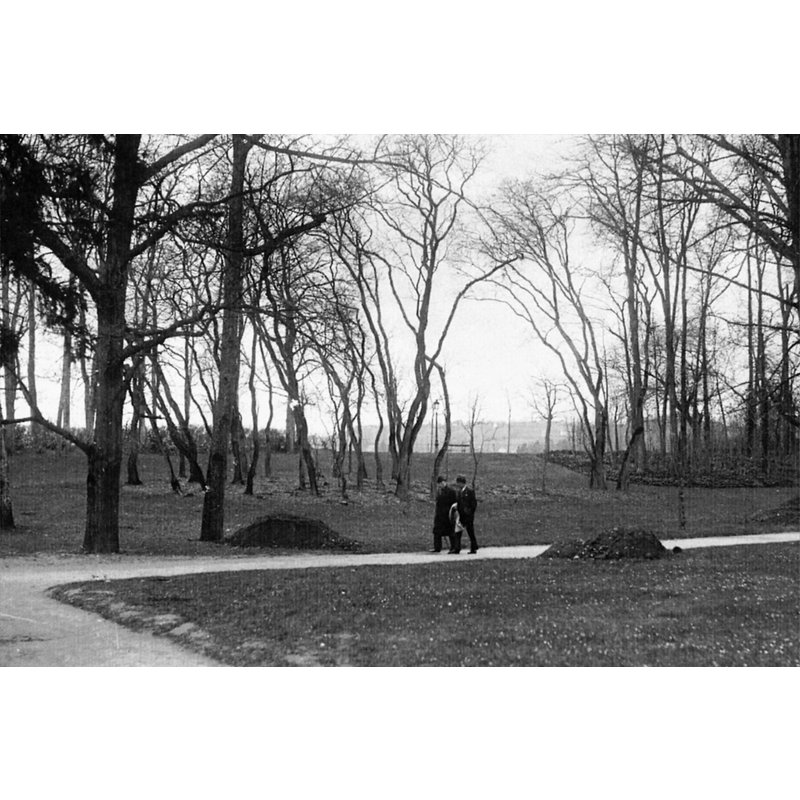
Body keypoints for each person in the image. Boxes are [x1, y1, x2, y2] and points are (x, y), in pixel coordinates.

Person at [431, 475, 458, 553]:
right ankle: (437, 547)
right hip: (439, 515)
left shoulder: (451, 491)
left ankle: (453, 547)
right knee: (437, 532)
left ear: (445, 482)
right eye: (440, 483)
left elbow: (455, 504)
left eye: (442, 482)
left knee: (450, 532)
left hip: (448, 515)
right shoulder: (439, 491)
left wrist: (452, 514)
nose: (441, 484)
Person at [455, 475, 479, 554]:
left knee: (470, 532)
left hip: (468, 516)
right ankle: (457, 548)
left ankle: (474, 547)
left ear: (462, 483)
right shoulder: (459, 492)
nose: (457, 485)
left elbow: (473, 504)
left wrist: (469, 512)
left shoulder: (469, 491)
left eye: (458, 483)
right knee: (458, 532)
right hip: (461, 515)